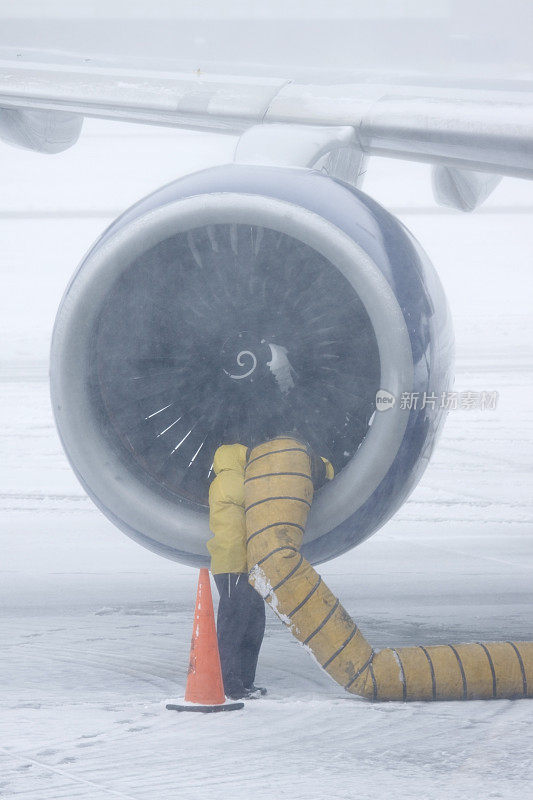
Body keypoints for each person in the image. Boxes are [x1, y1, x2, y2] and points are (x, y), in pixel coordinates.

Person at [207, 438, 334, 700]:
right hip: (232, 565)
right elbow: (260, 495)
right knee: (233, 626)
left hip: (248, 565)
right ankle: (228, 683)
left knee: (253, 624)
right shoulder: (228, 481)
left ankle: (245, 681)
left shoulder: (233, 479)